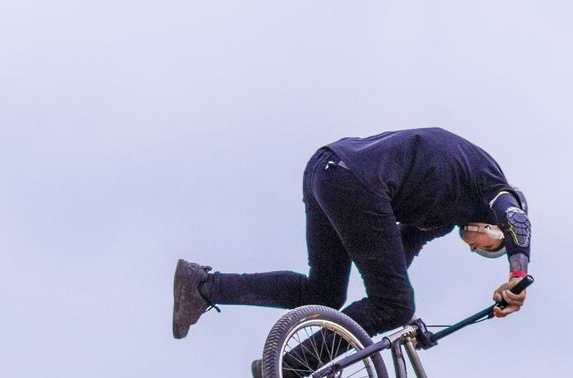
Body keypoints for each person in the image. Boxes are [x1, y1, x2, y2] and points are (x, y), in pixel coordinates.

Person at [171, 126, 531, 351]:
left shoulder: (441, 217)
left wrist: (398, 321)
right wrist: (517, 278)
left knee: (324, 294)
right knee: (395, 303)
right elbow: (518, 222)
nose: (473, 248)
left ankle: (203, 287)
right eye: (488, 250)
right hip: (356, 182)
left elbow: (395, 254)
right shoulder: (494, 187)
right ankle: (295, 370)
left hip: (327, 172)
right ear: (493, 229)